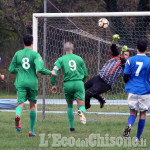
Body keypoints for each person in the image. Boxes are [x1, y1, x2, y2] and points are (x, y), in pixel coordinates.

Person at [9, 34, 56, 136]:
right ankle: (31, 130)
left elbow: (11, 69)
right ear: (32, 42)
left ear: (23, 43)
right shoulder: (35, 55)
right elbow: (40, 69)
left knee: (20, 103)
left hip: (21, 82)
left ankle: (18, 115)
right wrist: (50, 72)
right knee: (32, 106)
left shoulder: (18, 54)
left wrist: (20, 70)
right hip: (32, 83)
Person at [85, 34, 131, 109]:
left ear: (129, 57)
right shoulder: (117, 56)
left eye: (126, 54)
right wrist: (114, 40)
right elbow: (113, 48)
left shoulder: (126, 64)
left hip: (106, 83)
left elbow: (123, 62)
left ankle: (85, 107)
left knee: (87, 94)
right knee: (83, 88)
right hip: (99, 78)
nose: (124, 55)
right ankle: (101, 99)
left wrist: (122, 54)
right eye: (124, 53)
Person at [51, 42, 87, 132]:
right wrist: (82, 80)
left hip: (68, 84)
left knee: (70, 106)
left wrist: (53, 84)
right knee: (81, 105)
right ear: (73, 49)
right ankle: (81, 112)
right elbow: (85, 73)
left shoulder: (61, 59)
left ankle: (72, 128)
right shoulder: (79, 59)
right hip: (78, 82)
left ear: (64, 50)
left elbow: (54, 72)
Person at [123, 38, 150, 141]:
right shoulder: (149, 61)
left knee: (132, 112)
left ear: (136, 48)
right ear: (147, 48)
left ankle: (129, 126)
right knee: (142, 113)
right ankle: (137, 138)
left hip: (133, 90)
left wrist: (130, 83)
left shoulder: (130, 60)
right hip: (145, 90)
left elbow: (125, 77)